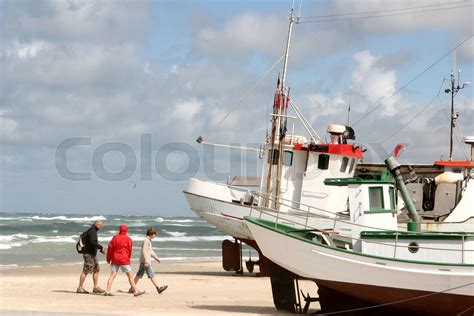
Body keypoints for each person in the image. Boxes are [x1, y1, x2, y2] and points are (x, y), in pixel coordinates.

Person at [104, 224, 144, 297]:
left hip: (115, 258)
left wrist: (108, 258)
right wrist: (128, 258)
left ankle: (107, 291)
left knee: (112, 275)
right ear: (126, 230)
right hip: (124, 259)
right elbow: (130, 250)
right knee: (130, 276)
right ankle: (135, 291)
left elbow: (110, 248)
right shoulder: (128, 239)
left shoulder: (115, 238)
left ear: (119, 230)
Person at [130, 227, 168, 294]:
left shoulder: (148, 240)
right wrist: (147, 261)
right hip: (145, 262)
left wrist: (156, 258)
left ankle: (132, 289)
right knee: (151, 275)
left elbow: (150, 251)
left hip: (144, 261)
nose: (155, 236)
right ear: (151, 234)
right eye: (154, 234)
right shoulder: (146, 241)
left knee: (138, 275)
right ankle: (158, 288)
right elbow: (144, 251)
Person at [77, 220, 106, 294]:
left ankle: (95, 287)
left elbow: (92, 243)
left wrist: (99, 249)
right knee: (86, 270)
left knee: (96, 269)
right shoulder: (92, 231)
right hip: (88, 254)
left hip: (92, 254)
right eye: (100, 225)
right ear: (97, 224)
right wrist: (101, 248)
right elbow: (93, 242)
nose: (101, 227)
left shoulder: (92, 231)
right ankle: (80, 288)